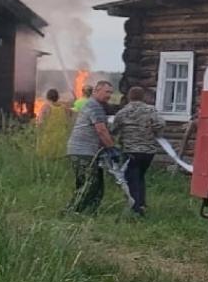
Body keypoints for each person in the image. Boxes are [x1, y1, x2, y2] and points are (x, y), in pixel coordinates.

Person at [109, 85, 166, 216]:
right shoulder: (151, 110)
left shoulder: (123, 112)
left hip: (130, 151)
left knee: (131, 178)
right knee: (140, 176)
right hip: (148, 152)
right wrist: (155, 132)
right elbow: (161, 124)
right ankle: (141, 203)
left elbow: (113, 129)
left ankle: (135, 209)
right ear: (143, 96)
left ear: (129, 96)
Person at [65, 78, 115, 213]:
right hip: (83, 151)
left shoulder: (94, 105)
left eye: (111, 92)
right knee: (89, 184)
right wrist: (112, 149)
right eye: (107, 92)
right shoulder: (94, 106)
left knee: (96, 185)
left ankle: (89, 212)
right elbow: (101, 130)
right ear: (97, 90)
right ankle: (72, 211)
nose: (109, 95)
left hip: (87, 151)